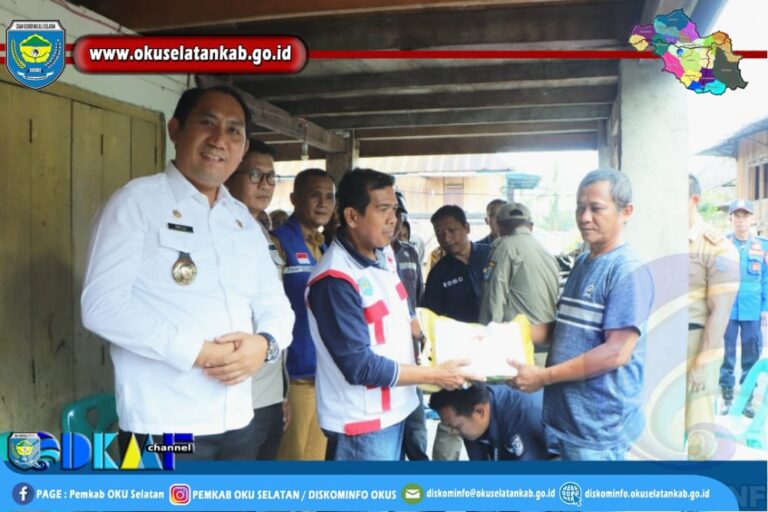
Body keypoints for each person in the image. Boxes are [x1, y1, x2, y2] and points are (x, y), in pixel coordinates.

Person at [81, 86, 295, 460]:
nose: (219, 140)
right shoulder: (137, 202)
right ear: (176, 130)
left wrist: (266, 344)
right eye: (207, 123)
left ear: (243, 147)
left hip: (238, 419)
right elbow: (102, 307)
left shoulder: (241, 220)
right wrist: (198, 352)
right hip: (163, 423)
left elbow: (275, 305)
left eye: (233, 130)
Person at [306, 168, 480, 461]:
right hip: (364, 423)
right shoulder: (335, 279)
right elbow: (359, 365)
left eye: (395, 210)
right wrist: (435, 374)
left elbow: (408, 319)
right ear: (352, 217)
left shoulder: (384, 255)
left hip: (400, 406)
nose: (393, 220)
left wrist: (465, 340)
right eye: (383, 209)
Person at [509, 169, 654, 461]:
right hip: (567, 422)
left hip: (598, 430)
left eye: (596, 208)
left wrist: (543, 377)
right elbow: (566, 329)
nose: (585, 217)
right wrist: (509, 333)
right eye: (580, 207)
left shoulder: (626, 271)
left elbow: (616, 353)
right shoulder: (584, 260)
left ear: (626, 212)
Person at [224, 138, 291, 459]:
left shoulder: (263, 234)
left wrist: (282, 393)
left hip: (269, 393)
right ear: (229, 175)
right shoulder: (216, 231)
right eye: (254, 175)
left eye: (271, 177)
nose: (265, 185)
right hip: (233, 396)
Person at [271, 168, 335, 461]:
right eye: (315, 195)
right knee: (290, 456)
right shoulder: (278, 242)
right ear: (295, 199)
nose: (323, 203)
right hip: (293, 371)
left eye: (329, 197)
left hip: (323, 371)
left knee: (315, 458)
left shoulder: (325, 247)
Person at [421, 204, 491, 460]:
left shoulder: (490, 256)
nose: (446, 238)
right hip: (457, 358)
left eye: (452, 230)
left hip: (493, 351)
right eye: (440, 233)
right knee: (452, 421)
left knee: (486, 414)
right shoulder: (439, 273)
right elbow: (429, 319)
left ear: (467, 228)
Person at [687, 174, 739, 460]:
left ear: (694, 200)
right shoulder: (664, 238)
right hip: (664, 343)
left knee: (699, 431)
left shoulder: (717, 247)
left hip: (697, 342)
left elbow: (721, 311)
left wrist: (701, 361)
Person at [720, 199, 768, 418]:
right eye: (736, 216)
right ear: (730, 219)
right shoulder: (722, 245)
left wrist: (765, 308)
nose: (741, 221)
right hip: (727, 309)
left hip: (752, 309)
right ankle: (727, 398)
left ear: (752, 219)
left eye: (745, 216)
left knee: (751, 354)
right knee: (726, 354)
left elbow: (766, 280)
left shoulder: (763, 247)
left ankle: (747, 400)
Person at [478, 202, 559, 328]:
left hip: (520, 336)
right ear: (531, 226)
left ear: (499, 226)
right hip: (547, 333)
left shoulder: (503, 248)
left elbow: (493, 299)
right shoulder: (548, 255)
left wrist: (485, 333)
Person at [391, 191, 428, 461]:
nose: (393, 220)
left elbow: (419, 297)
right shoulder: (367, 256)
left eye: (398, 215)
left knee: (416, 427)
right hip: (384, 359)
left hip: (412, 354)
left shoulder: (409, 253)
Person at [429, 384, 556, 461]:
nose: (454, 432)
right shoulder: (473, 418)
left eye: (456, 427)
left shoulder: (523, 414)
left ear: (480, 412)